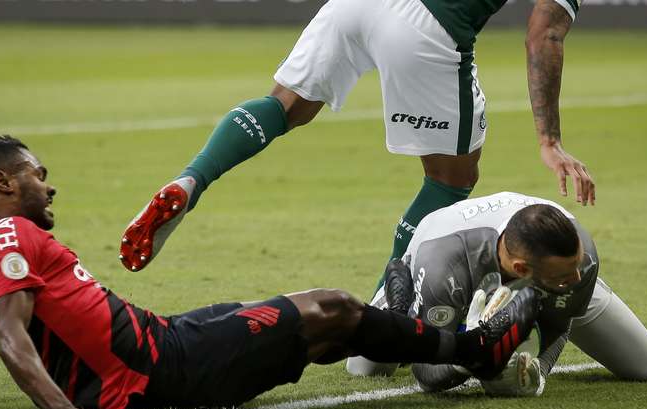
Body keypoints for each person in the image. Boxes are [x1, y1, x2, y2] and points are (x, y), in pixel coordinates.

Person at [0, 136, 540, 409]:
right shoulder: (4, 236)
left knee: (325, 331)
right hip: (164, 364)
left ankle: (408, 323)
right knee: (332, 308)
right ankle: (474, 350)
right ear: (5, 183)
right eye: (39, 175)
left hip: (163, 338)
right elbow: (9, 332)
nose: (49, 186)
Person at [119, 0, 595, 275]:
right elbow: (543, 36)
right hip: (428, 24)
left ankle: (191, 181)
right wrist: (549, 141)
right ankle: (389, 302)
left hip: (356, 4)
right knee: (451, 178)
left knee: (285, 106)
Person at [346, 192, 647, 394]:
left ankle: (522, 305)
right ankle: (398, 308)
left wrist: (536, 374)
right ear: (521, 269)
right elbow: (426, 375)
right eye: (565, 273)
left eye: (576, 264)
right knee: (366, 368)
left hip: (541, 282)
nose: (577, 276)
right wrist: (469, 355)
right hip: (437, 276)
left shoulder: (579, 260)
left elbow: (558, 324)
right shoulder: (445, 264)